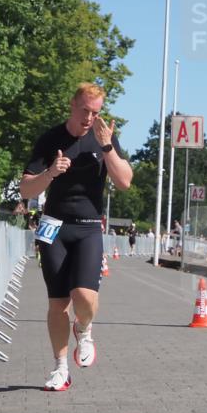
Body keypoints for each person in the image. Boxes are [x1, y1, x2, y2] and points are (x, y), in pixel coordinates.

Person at [19, 83, 132, 392]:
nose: (89, 118)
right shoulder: (51, 138)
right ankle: (60, 368)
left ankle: (84, 328)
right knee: (57, 304)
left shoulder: (104, 137)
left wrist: (107, 148)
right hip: (52, 226)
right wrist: (50, 173)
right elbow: (26, 189)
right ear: (72, 105)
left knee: (84, 297)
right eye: (84, 110)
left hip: (88, 226)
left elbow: (124, 182)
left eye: (95, 112)